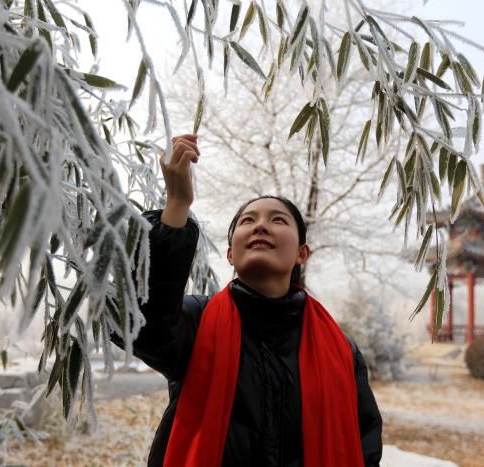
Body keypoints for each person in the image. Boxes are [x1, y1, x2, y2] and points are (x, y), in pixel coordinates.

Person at [114, 134, 382, 467]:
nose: (261, 226)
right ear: (230, 254)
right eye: (248, 220)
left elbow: (365, 445)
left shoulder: (342, 351)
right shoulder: (198, 322)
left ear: (303, 253)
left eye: (278, 219)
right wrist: (177, 204)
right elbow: (140, 324)